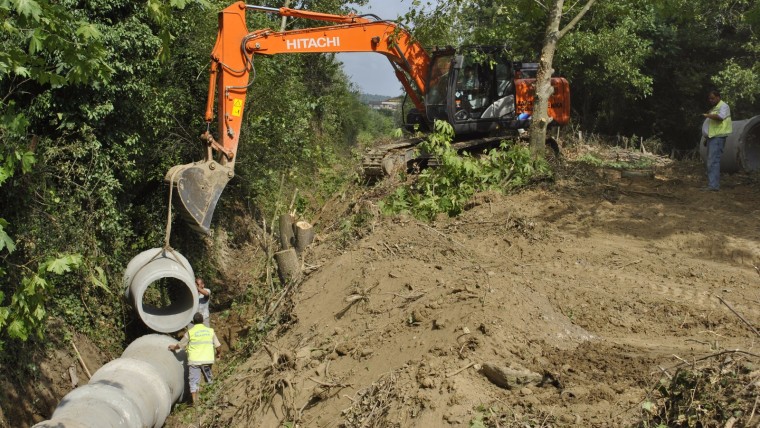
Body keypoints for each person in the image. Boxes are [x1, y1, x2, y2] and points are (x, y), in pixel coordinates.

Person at [168, 312, 222, 405]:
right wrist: (218, 354)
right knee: (209, 378)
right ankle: (213, 398)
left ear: (193, 322)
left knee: (194, 381)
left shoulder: (190, 332)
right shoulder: (210, 331)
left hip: (194, 361)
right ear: (203, 321)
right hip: (207, 360)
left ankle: (195, 403)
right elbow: (218, 346)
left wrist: (173, 347)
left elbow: (180, 345)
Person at [701, 89, 732, 191]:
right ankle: (712, 184)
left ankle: (713, 186)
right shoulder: (715, 108)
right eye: (709, 99)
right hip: (712, 137)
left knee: (713, 161)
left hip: (718, 137)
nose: (711, 100)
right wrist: (707, 137)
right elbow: (712, 125)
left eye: (713, 98)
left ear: (718, 97)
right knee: (711, 161)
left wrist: (707, 115)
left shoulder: (724, 106)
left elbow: (720, 117)